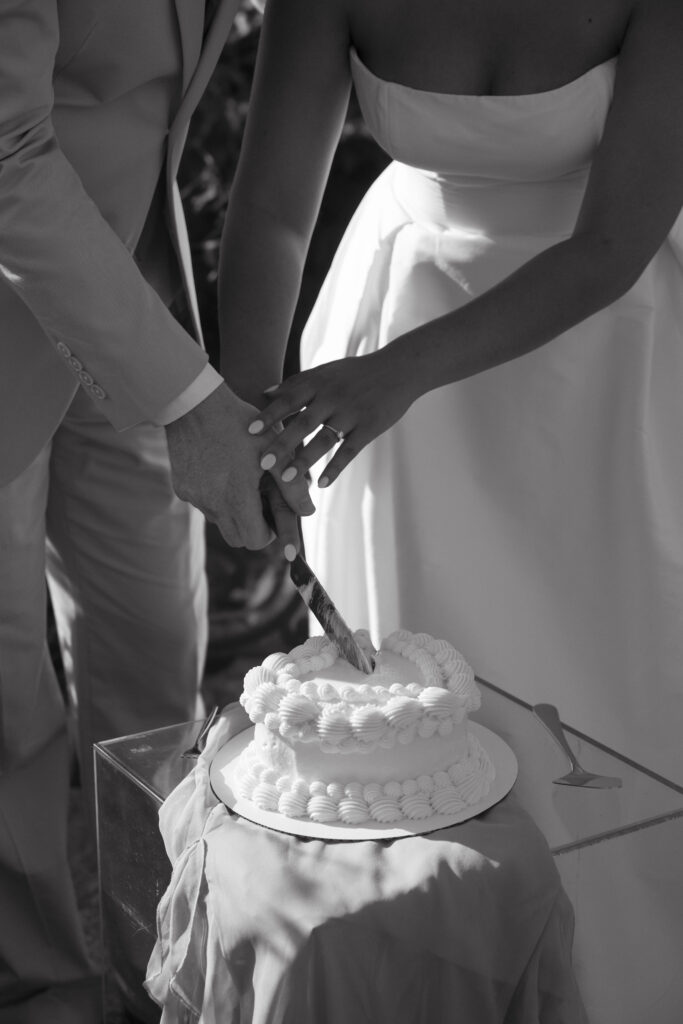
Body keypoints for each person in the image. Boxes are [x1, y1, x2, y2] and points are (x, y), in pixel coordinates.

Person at [218, 0, 683, 788]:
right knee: (418, 677)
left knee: (617, 652)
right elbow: (270, 210)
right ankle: (440, 902)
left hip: (612, 330)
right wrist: (247, 418)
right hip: (400, 303)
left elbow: (611, 245)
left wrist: (397, 374)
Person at [0, 2, 310, 1022]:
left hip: (128, 296)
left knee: (154, 666)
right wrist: (187, 398)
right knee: (12, 705)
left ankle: (160, 976)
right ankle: (41, 983)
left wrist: (191, 384)